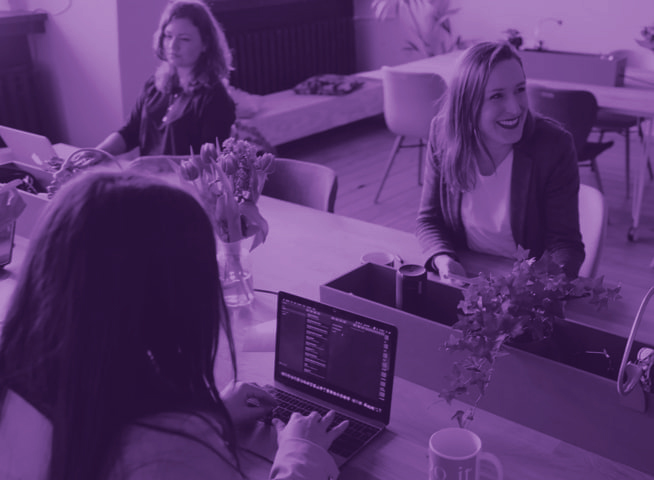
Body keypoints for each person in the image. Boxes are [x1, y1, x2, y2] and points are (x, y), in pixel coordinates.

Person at [0, 171, 347, 479]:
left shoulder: (18, 373)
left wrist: (212, 415)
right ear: (174, 297)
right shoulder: (172, 451)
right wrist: (302, 456)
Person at [416, 41, 585, 280]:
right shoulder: (442, 133)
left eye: (519, 89)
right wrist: (443, 260)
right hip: (465, 275)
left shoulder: (554, 145)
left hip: (526, 284)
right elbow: (429, 219)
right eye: (497, 96)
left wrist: (540, 287)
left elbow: (565, 245)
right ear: (467, 107)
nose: (515, 108)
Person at [97, 0, 236, 157]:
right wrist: (98, 152)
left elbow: (211, 161)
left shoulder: (215, 97)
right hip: (146, 178)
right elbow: (130, 132)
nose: (172, 45)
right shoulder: (154, 85)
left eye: (184, 39)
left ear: (206, 44)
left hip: (181, 181)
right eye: (168, 36)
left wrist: (152, 165)